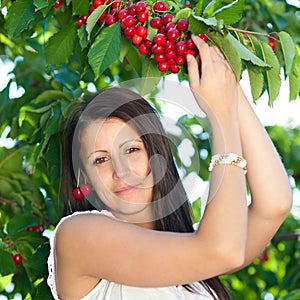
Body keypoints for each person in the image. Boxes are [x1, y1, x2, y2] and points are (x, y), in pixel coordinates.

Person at [47, 35, 292, 300]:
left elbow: (274, 205)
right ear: (85, 178)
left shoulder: (192, 259)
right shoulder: (79, 236)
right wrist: (221, 117)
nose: (121, 171)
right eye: (101, 159)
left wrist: (227, 86)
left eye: (131, 150)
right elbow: (223, 250)